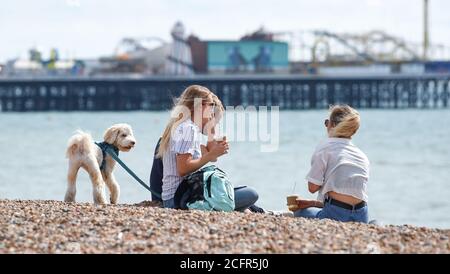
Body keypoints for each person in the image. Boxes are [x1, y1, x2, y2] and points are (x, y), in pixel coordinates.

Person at [149, 85, 262, 212]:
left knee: (232, 192)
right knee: (251, 193)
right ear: (198, 106)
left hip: (180, 196)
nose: (212, 109)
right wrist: (210, 155)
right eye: (211, 104)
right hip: (181, 200)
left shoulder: (184, 127)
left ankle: (249, 209)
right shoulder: (188, 129)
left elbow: (204, 156)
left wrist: (211, 131)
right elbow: (183, 169)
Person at [293, 105, 370, 223]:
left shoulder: (325, 147)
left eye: (326, 122)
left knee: (300, 213)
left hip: (336, 214)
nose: (326, 126)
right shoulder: (361, 155)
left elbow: (312, 188)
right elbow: (347, 199)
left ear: (332, 125)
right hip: (362, 215)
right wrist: (312, 203)